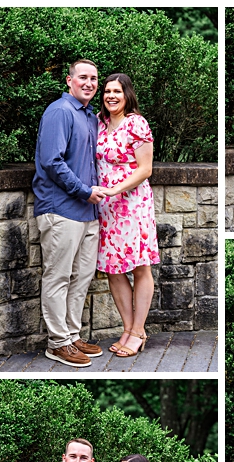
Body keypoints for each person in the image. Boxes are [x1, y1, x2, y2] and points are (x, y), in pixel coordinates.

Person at [35, 60, 110, 367]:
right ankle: (57, 343)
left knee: (81, 278)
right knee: (58, 276)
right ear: (69, 80)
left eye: (94, 78)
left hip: (87, 211)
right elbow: (52, 162)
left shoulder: (90, 117)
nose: (89, 83)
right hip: (61, 209)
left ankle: (72, 335)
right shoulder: (60, 112)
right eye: (83, 77)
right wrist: (84, 191)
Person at [95, 73, 160, 358]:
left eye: (117, 92)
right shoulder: (100, 123)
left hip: (133, 204)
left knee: (139, 266)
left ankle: (138, 331)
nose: (111, 96)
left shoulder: (137, 123)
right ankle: (128, 328)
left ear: (127, 95)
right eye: (107, 91)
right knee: (113, 267)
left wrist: (114, 190)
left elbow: (145, 169)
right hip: (107, 208)